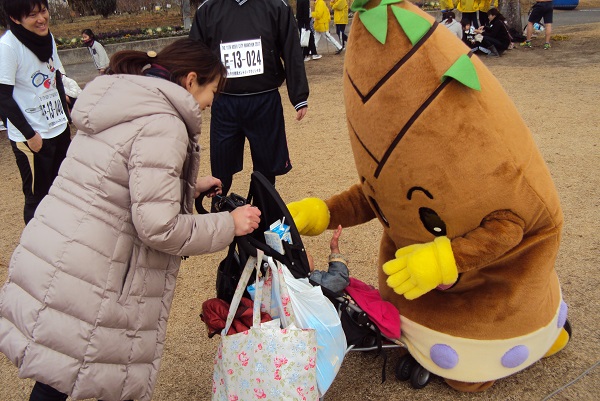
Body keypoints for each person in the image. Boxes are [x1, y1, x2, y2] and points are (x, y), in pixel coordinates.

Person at [0, 38, 262, 401]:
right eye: (213, 91)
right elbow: (159, 225)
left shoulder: (124, 100)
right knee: (70, 374)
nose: (211, 103)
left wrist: (185, 186)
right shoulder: (165, 122)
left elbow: (120, 175)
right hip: (95, 272)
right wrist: (229, 224)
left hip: (61, 253)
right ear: (190, 81)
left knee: (59, 371)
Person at [189, 0, 309, 212]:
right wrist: (191, 95)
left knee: (266, 168)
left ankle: (264, 214)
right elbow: (194, 55)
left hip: (265, 101)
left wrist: (299, 95)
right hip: (225, 102)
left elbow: (291, 50)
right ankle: (221, 212)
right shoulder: (207, 10)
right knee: (221, 167)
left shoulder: (276, 7)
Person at [0, 0, 71, 224]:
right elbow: (3, 96)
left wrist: (66, 116)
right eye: (32, 15)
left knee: (61, 188)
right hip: (33, 136)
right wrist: (30, 135)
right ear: (15, 18)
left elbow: (56, 76)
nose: (41, 19)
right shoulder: (8, 47)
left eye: (43, 11)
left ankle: (58, 233)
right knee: (36, 197)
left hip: (57, 127)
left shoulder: (47, 36)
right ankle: (34, 247)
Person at [307, 225, 350, 294]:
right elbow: (338, 278)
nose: (310, 256)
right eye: (307, 255)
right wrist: (334, 249)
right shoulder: (312, 282)